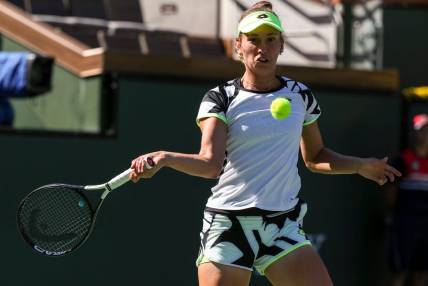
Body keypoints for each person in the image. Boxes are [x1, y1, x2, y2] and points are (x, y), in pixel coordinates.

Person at [129, 2, 401, 285]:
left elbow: (315, 156)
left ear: (281, 45)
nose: (263, 49)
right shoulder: (220, 98)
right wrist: (164, 158)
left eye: (271, 40)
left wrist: (360, 166)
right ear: (238, 45)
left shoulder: (300, 95)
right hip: (229, 225)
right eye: (253, 40)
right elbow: (210, 164)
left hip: (282, 225)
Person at [385, 114, 428, 286]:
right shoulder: (402, 160)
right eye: (419, 131)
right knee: (399, 272)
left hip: (426, 226)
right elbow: (391, 193)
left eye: (426, 130)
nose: (422, 135)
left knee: (421, 273)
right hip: (405, 224)